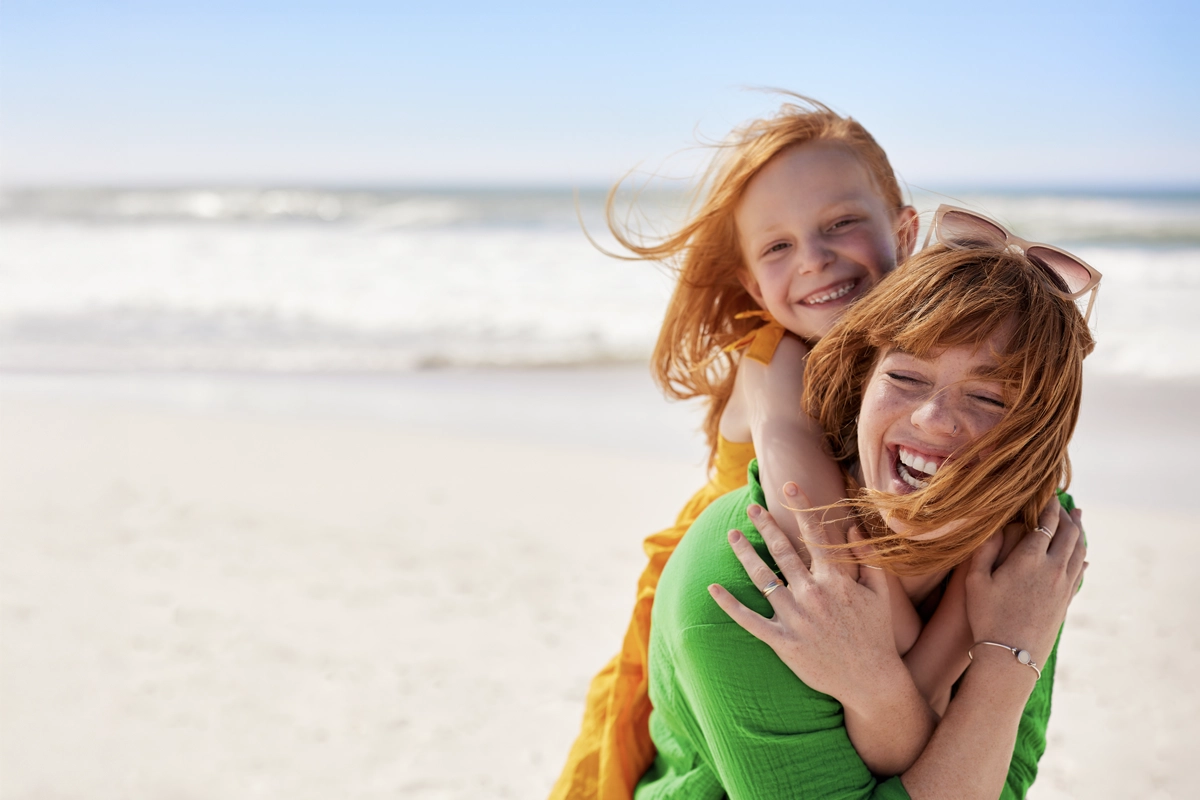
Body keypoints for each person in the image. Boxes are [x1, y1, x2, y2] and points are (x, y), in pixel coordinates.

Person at [550, 96, 928, 800]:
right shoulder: (771, 361)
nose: (814, 259)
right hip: (737, 606)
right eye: (777, 246)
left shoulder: (915, 362)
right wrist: (903, 646)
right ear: (754, 283)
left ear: (903, 232)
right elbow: (807, 514)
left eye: (841, 223)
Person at [638, 230, 1097, 798]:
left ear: (1037, 436)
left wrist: (881, 687)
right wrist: (1004, 665)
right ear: (861, 385)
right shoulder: (748, 581)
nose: (933, 418)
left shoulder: (1034, 559)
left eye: (989, 398)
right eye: (904, 377)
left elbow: (1008, 784)